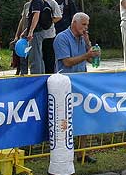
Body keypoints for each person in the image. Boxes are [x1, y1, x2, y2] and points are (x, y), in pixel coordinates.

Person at [53, 12, 99, 164]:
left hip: (81, 82)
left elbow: (92, 60)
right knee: (65, 121)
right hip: (64, 85)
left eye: (87, 25)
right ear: (74, 23)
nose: (86, 28)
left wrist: (88, 44)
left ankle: (82, 154)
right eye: (84, 24)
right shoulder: (62, 38)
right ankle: (65, 154)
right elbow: (66, 62)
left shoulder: (83, 38)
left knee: (84, 117)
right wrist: (86, 55)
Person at [25, 0, 50, 74]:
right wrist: (26, 31)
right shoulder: (36, 0)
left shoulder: (36, 0)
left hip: (37, 32)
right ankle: (40, 76)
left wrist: (31, 31)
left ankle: (36, 78)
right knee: (38, 56)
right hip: (37, 32)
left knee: (35, 57)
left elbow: (36, 16)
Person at [37, 0, 62, 74]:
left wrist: (48, 22)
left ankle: (51, 76)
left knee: (49, 60)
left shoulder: (51, 2)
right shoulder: (33, 3)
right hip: (37, 36)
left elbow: (58, 16)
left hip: (49, 35)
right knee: (39, 60)